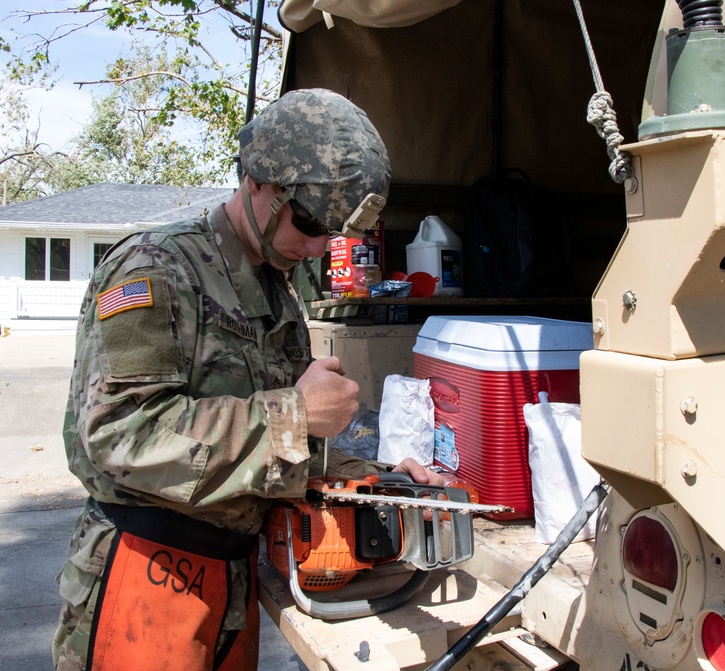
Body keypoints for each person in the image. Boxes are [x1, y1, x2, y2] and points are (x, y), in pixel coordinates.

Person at [52, 89, 441, 671]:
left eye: (333, 232)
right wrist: (297, 412)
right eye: (309, 221)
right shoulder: (156, 268)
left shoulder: (276, 288)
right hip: (145, 570)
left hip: (233, 575)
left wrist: (378, 480)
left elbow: (282, 448)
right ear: (259, 181)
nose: (317, 245)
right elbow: (117, 434)